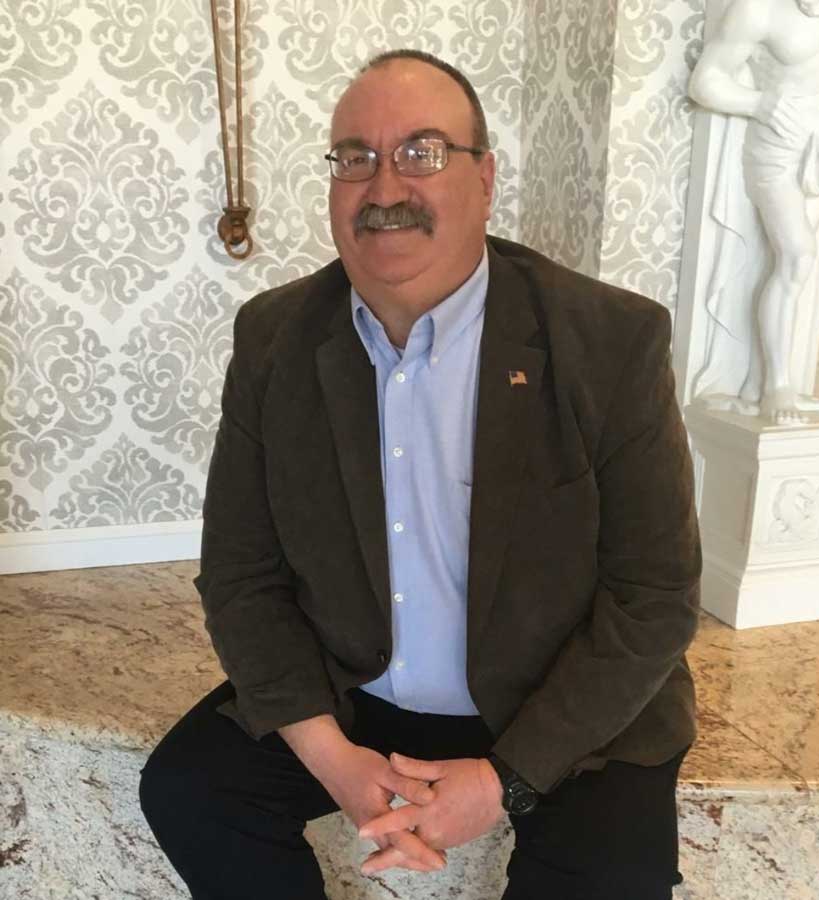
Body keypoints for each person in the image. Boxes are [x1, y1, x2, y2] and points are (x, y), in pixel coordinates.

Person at [139, 49, 701, 900]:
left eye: (422, 152)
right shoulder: (275, 338)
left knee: (612, 878)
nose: (384, 185)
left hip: (558, 697)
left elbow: (655, 595)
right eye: (354, 157)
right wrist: (332, 759)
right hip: (358, 686)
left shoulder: (610, 340)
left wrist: (504, 780)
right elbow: (240, 575)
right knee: (191, 791)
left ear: (486, 179)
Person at [688, 0, 819, 424]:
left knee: (791, 271)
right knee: (797, 256)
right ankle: (778, 385)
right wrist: (758, 103)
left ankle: (755, 383)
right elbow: (705, 82)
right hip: (777, 147)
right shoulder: (757, 9)